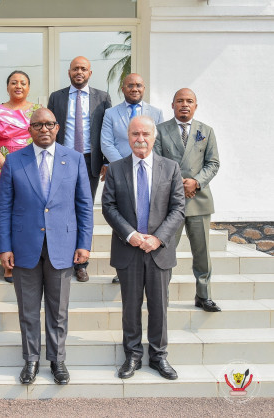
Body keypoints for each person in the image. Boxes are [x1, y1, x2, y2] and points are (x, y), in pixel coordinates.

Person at [0, 108, 93, 386]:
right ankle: (31, 360)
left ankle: (57, 360)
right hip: (24, 246)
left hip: (62, 245)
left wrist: (84, 244)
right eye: (38, 124)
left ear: (58, 127)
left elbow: (84, 205)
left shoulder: (74, 159)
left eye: (49, 124)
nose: (44, 129)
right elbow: (3, 209)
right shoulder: (14, 161)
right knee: (28, 309)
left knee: (58, 309)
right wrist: (4, 247)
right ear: (30, 130)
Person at [101, 116, 184, 381]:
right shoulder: (115, 169)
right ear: (128, 136)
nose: (140, 138)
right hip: (129, 249)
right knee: (131, 306)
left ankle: (159, 356)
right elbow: (109, 207)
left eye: (146, 134)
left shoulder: (170, 168)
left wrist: (157, 238)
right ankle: (133, 355)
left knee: (159, 306)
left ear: (154, 136)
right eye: (135, 133)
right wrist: (131, 234)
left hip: (159, 251)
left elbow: (178, 208)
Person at [154, 88, 221, 312]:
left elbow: (213, 163)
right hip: (170, 202)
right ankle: (162, 296)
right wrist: (179, 184)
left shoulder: (206, 131)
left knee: (201, 252)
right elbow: (156, 163)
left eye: (189, 101)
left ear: (195, 106)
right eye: (180, 101)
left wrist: (196, 182)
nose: (184, 104)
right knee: (165, 252)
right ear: (172, 105)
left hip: (199, 200)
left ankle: (204, 295)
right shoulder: (161, 131)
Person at [47, 56, 111, 283]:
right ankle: (64, 255)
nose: (79, 72)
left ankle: (82, 262)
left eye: (83, 69)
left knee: (83, 209)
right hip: (63, 159)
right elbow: (49, 128)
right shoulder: (57, 97)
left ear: (90, 73)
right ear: (69, 72)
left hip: (90, 160)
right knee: (63, 208)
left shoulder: (102, 98)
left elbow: (107, 130)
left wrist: (106, 161)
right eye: (75, 69)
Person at [100, 73, 164, 284]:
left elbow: (159, 142)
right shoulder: (110, 113)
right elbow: (106, 143)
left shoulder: (156, 113)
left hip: (148, 171)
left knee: (147, 214)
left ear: (143, 87)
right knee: (125, 214)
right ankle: (124, 269)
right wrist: (123, 167)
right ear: (123, 88)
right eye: (130, 85)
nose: (134, 88)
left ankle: (149, 264)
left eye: (138, 85)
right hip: (121, 174)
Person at [0, 70, 42, 283]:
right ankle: (6, 264)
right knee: (3, 215)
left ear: (28, 87)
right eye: (14, 82)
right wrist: (7, 165)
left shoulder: (38, 111)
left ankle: (27, 258)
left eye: (23, 83)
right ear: (7, 86)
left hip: (31, 170)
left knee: (28, 214)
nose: (18, 86)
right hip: (1, 170)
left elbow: (45, 139)